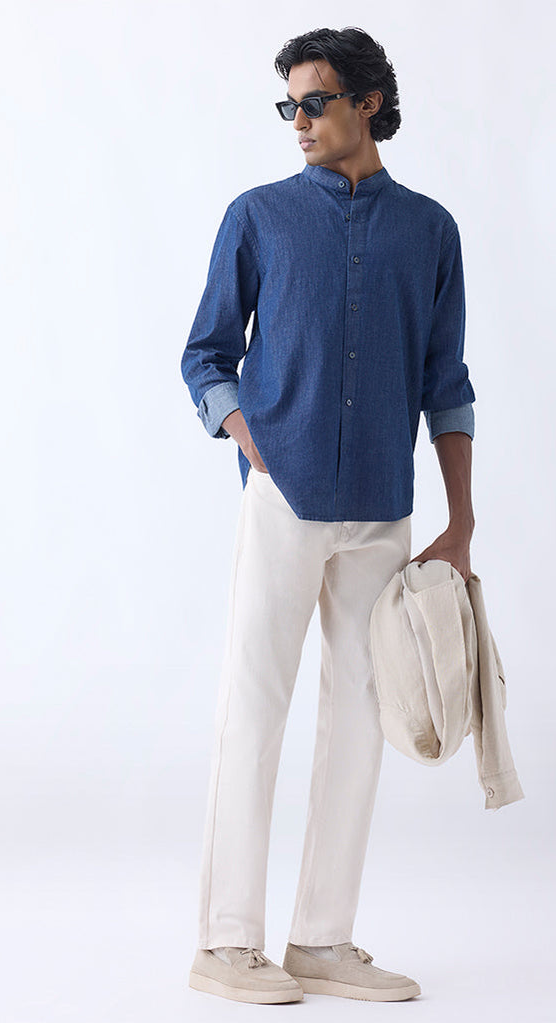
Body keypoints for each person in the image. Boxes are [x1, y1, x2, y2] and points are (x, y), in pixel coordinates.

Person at [180, 26, 476, 1005]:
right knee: (253, 711)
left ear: (368, 103)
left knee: (360, 724)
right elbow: (205, 354)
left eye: (315, 102)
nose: (299, 122)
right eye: (290, 106)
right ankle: (226, 944)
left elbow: (446, 382)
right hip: (284, 498)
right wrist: (250, 437)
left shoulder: (429, 230)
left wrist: (461, 521)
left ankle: (320, 939)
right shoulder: (258, 216)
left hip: (383, 513)